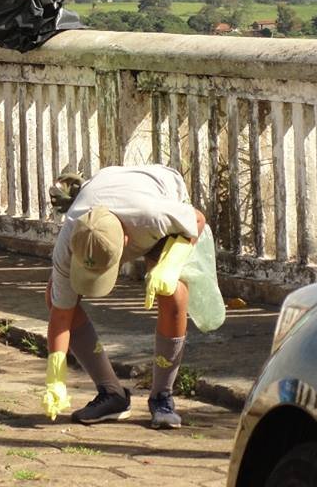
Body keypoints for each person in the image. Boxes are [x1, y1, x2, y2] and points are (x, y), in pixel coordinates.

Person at [41, 164, 206, 429]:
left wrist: (169, 265)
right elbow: (61, 313)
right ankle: (112, 394)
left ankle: (162, 397)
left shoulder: (154, 216)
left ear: (127, 244)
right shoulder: (72, 235)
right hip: (105, 193)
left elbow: (197, 220)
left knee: (172, 293)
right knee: (55, 296)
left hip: (158, 193)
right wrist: (55, 377)